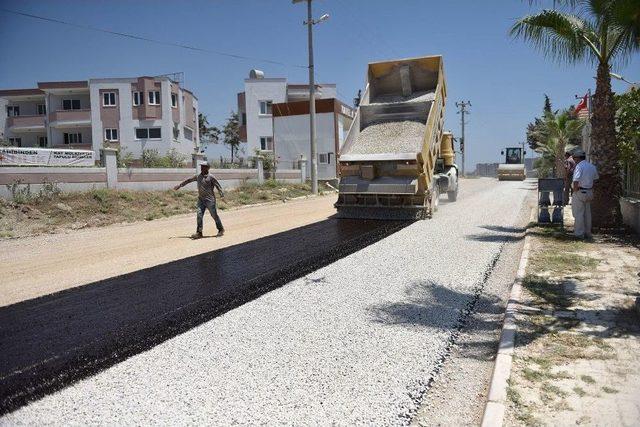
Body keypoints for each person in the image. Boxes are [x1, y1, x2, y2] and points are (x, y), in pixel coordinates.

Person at [174, 161, 225, 238]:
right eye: (201, 166)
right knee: (199, 215)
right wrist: (180, 185)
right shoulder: (198, 176)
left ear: (208, 168)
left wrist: (222, 196)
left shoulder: (211, 177)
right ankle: (199, 232)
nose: (201, 168)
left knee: (214, 215)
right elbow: (189, 180)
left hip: (210, 200)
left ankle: (221, 229)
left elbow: (218, 186)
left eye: (203, 166)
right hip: (201, 200)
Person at [571, 148, 598, 239]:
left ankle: (579, 234)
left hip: (580, 191)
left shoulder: (579, 166)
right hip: (589, 191)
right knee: (587, 213)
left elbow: (576, 180)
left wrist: (575, 190)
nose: (574, 160)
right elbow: (595, 180)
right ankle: (588, 233)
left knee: (578, 213)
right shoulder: (592, 166)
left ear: (578, 158)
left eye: (574, 158)